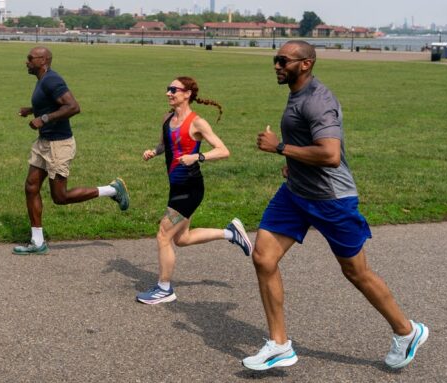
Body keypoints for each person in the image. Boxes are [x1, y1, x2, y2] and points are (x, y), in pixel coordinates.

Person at [243, 41, 428, 370]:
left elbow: (330, 154)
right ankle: (280, 344)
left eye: (283, 60)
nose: (276, 65)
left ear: (306, 64)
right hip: (296, 193)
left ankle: (407, 331)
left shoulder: (318, 100)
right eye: (275, 59)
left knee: (357, 273)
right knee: (263, 257)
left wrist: (280, 148)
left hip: (331, 200)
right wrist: (294, 164)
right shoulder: (298, 93)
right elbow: (311, 145)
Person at [135, 76, 253, 305]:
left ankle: (164, 289)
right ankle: (231, 233)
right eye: (168, 89)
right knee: (181, 238)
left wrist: (198, 156)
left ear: (187, 93)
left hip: (190, 188)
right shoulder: (167, 118)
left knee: (163, 235)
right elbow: (166, 144)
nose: (168, 93)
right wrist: (154, 151)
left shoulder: (197, 123)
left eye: (174, 90)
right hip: (176, 186)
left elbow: (223, 150)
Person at [14, 46, 129, 255]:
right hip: (44, 142)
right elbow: (51, 103)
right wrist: (31, 110)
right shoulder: (42, 80)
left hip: (59, 145)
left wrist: (44, 119)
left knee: (60, 197)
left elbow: (73, 107)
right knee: (31, 187)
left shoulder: (52, 80)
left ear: (43, 61)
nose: (26, 61)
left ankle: (112, 190)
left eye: (30, 58)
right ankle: (37, 242)